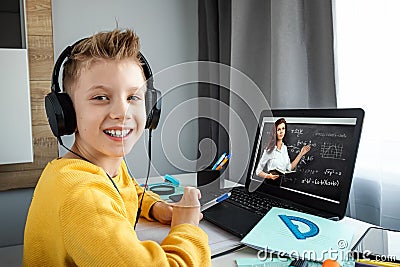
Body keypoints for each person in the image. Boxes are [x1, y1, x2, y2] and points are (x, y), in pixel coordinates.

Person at [23, 29, 210, 266]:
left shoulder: (95, 168)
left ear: (151, 109)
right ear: (66, 113)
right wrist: (187, 227)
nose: (122, 112)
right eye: (100, 97)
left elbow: (126, 187)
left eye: (133, 97)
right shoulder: (82, 196)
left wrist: (156, 208)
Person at [255, 118, 311, 185]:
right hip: (271, 185)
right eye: (278, 129)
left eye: (283, 128)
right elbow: (258, 171)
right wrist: (268, 176)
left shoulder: (284, 148)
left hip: (282, 185)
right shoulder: (269, 150)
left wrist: (301, 154)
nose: (281, 131)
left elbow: (289, 168)